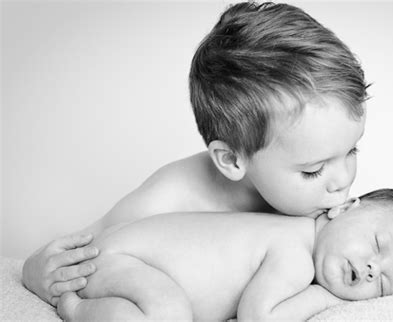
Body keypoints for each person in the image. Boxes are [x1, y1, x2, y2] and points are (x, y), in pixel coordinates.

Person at [22, 1, 369, 306]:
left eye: (351, 150)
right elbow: (91, 246)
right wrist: (36, 269)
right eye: (314, 170)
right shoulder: (170, 197)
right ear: (233, 160)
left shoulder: (312, 200)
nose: (343, 181)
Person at [55, 189, 393, 321]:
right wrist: (323, 296)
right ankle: (74, 309)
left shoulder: (297, 236)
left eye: (384, 283)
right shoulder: (295, 251)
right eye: (376, 245)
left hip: (126, 257)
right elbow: (258, 316)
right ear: (343, 208)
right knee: (168, 315)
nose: (373, 269)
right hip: (119, 261)